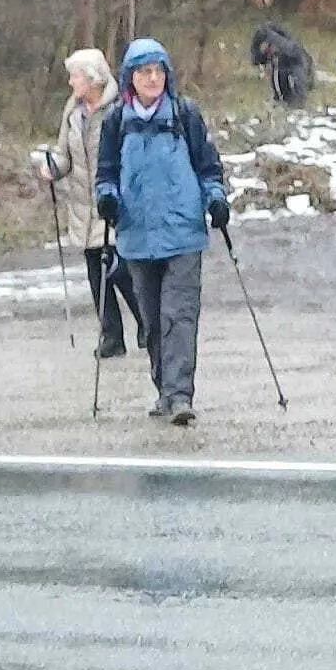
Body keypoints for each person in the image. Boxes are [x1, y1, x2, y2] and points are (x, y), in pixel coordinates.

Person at [95, 37, 229, 426]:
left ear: (166, 75)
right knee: (151, 320)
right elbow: (106, 174)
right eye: (143, 72)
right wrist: (107, 198)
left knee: (179, 315)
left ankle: (179, 394)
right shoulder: (116, 122)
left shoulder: (185, 114)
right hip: (137, 235)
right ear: (130, 78)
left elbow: (208, 168)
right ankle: (163, 389)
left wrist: (215, 199)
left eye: (157, 71)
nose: (151, 78)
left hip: (183, 233)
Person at [31, 47, 141, 360]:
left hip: (114, 202)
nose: (70, 83)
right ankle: (111, 336)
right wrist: (53, 167)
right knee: (96, 271)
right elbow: (65, 154)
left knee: (121, 268)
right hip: (82, 205)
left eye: (75, 76)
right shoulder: (73, 111)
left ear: (92, 79)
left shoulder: (118, 107)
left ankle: (147, 323)